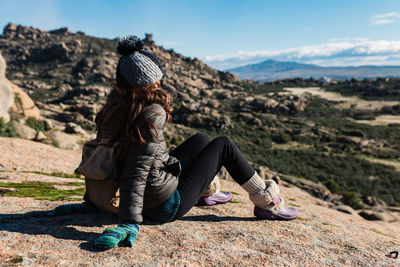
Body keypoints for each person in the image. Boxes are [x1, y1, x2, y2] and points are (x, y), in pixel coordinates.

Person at [53, 35, 298, 250]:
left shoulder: (113, 107)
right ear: (151, 80)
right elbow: (136, 171)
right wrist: (129, 222)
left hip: (132, 193)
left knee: (202, 139)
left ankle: (202, 192)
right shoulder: (151, 114)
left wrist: (94, 201)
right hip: (162, 206)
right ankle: (267, 203)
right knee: (223, 144)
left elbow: (104, 156)